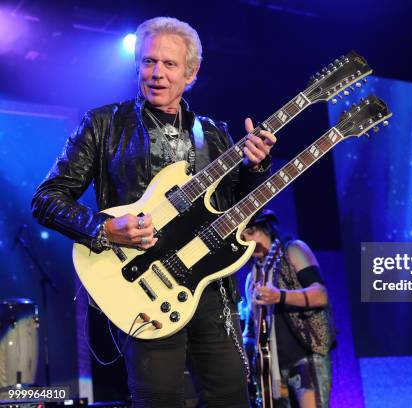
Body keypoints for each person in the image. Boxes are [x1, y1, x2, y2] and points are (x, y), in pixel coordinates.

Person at [31, 17, 276, 408]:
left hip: (209, 286)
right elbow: (47, 199)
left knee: (231, 395)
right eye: (148, 62)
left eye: (169, 64)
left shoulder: (214, 133)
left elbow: (237, 213)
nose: (156, 73)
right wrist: (107, 229)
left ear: (191, 74)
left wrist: (255, 168)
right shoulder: (103, 124)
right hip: (144, 285)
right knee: (158, 400)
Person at [240, 210, 335, 408]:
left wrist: (279, 296)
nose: (248, 240)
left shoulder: (293, 250)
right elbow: (251, 328)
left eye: (251, 232)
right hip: (272, 370)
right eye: (242, 238)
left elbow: (320, 295)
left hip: (306, 357)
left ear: (265, 227)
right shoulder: (252, 278)